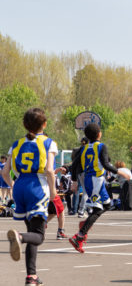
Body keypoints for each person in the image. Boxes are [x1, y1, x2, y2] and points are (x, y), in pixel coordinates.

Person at [4, 108, 57, 286]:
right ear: (44, 124)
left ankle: (31, 276)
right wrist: (54, 192)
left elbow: (5, 172)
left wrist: (13, 186)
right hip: (37, 186)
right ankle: (19, 237)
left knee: (32, 232)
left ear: (25, 125)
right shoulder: (48, 143)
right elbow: (49, 170)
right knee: (39, 236)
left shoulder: (16, 144)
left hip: (20, 185)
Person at [68, 123, 128, 253]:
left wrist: (74, 181)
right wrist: (119, 172)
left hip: (91, 180)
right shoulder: (101, 146)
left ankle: (84, 226)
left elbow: (74, 165)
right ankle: (79, 236)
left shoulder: (83, 148)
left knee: (106, 205)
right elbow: (106, 165)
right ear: (99, 134)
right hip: (95, 181)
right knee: (98, 208)